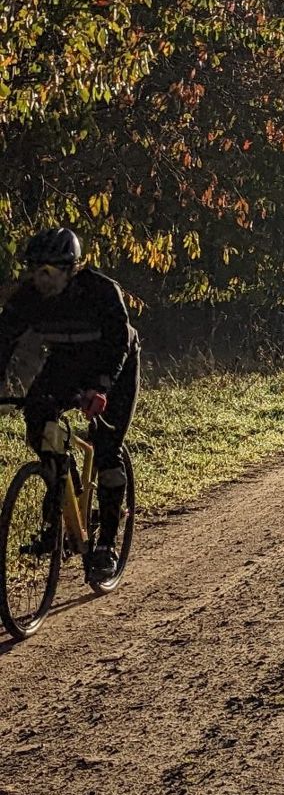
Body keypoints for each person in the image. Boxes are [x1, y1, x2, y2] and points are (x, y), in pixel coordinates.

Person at [0, 228, 140, 577]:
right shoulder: (28, 297)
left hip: (115, 366)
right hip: (66, 360)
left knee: (107, 449)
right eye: (36, 270)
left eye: (49, 271)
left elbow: (118, 345)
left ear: (71, 269)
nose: (42, 279)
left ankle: (105, 545)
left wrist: (101, 388)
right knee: (38, 424)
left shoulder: (101, 291)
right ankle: (63, 507)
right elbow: (3, 343)